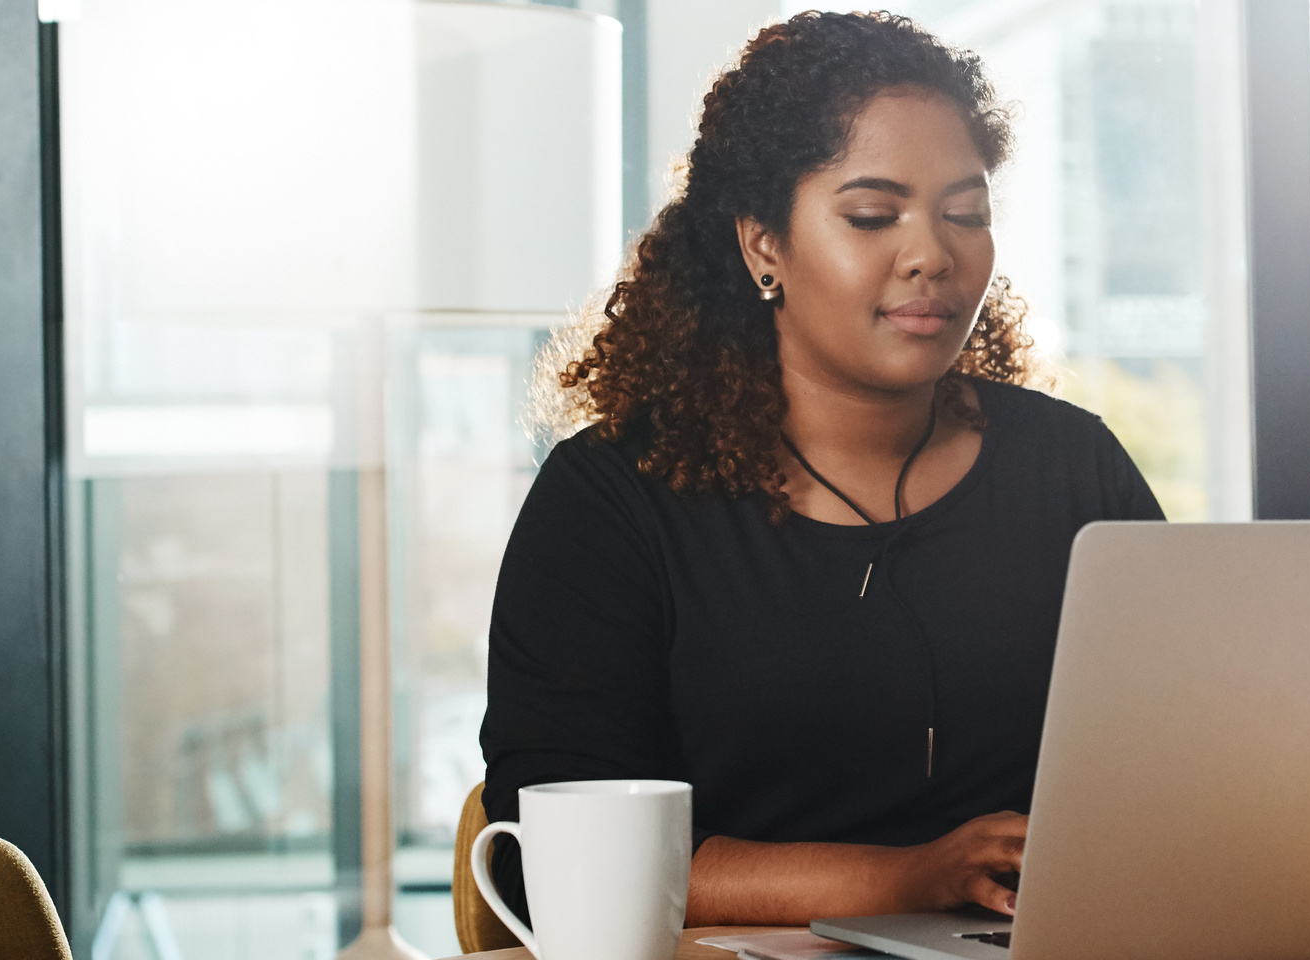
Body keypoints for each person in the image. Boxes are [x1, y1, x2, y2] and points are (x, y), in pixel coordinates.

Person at [481, 10, 1167, 928]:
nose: (933, 254)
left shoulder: (1071, 466)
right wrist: (906, 878)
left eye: (966, 214)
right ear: (763, 242)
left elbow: (1185, 761)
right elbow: (558, 854)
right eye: (872, 215)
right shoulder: (610, 501)